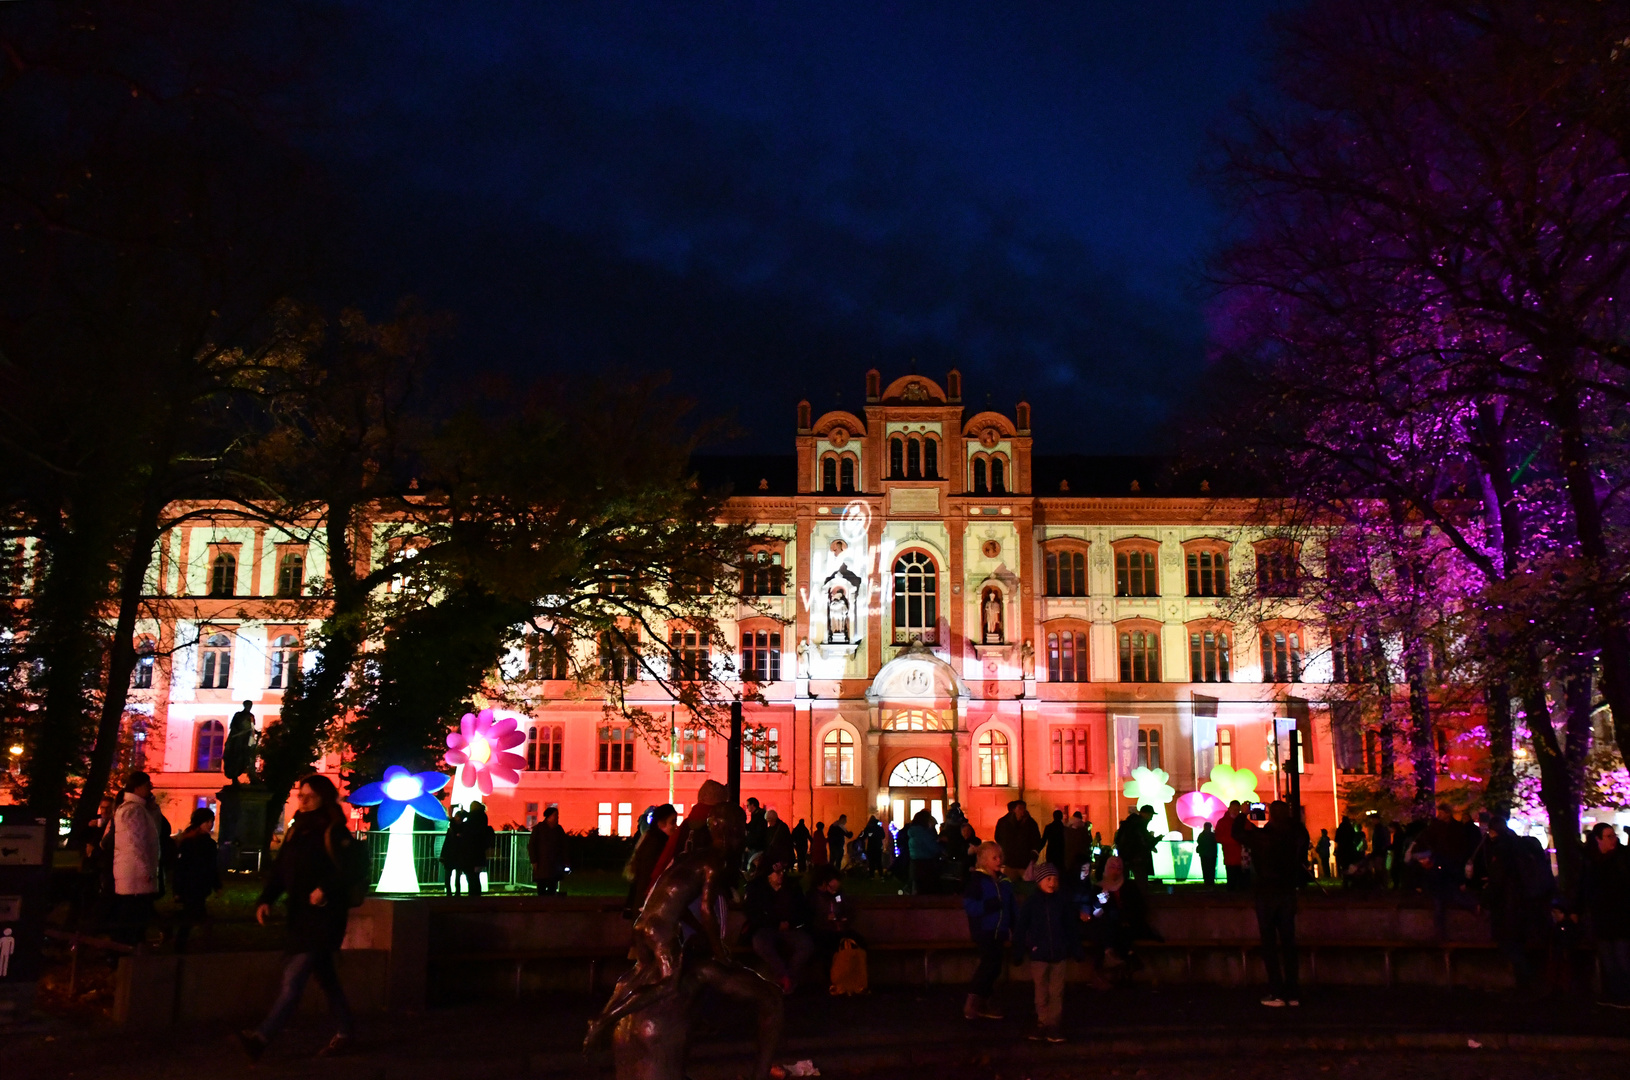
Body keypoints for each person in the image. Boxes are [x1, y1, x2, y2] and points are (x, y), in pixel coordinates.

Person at [240, 774, 358, 1060]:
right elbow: (282, 870)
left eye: (309, 796)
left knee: (293, 979)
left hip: (323, 918)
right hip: (301, 916)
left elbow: (348, 870)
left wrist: (325, 889)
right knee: (327, 979)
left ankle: (262, 1037)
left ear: (323, 798)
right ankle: (346, 1032)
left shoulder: (334, 830)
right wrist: (266, 899)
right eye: (300, 795)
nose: (301, 800)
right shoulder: (297, 830)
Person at [1232, 800, 1309, 1007]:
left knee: (1269, 943)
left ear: (1271, 815)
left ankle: (1276, 992)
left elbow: (1237, 833)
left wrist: (1243, 813)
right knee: (1288, 942)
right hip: (1286, 892)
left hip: (1266, 893)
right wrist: (1289, 817)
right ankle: (1292, 992)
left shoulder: (1261, 837)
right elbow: (1302, 832)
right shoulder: (1294, 836)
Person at [1012, 862, 1079, 1043]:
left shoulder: (1061, 902)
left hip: (1058, 953)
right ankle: (1043, 1022)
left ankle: (1053, 1024)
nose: (1052, 883)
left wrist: (1074, 948)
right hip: (1039, 953)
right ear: (1039, 881)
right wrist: (1018, 950)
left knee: (1056, 991)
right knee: (1041, 990)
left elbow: (1070, 927)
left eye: (1055, 879)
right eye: (1048, 879)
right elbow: (1021, 927)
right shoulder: (1032, 903)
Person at [107, 771, 163, 946]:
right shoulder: (133, 810)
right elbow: (136, 842)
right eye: (147, 785)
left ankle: (125, 951)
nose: (150, 788)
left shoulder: (134, 808)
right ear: (138, 787)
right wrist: (145, 869)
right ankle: (126, 952)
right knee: (133, 915)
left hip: (132, 873)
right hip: (135, 875)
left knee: (132, 914)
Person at [962, 840, 1015, 1020]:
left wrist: (1013, 926)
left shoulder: (1003, 882)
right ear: (984, 861)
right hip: (985, 930)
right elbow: (970, 906)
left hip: (999, 931)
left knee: (995, 967)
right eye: (994, 858)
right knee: (988, 966)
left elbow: (1010, 906)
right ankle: (973, 1003)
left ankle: (982, 1001)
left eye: (1000, 856)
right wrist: (987, 905)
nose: (999, 860)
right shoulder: (978, 881)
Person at [743, 862, 814, 993]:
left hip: (790, 928)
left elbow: (803, 910)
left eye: (783, 872)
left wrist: (791, 923)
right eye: (777, 873)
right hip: (766, 928)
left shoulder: (792, 888)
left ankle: (788, 977)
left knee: (806, 944)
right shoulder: (757, 889)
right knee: (760, 943)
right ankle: (783, 976)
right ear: (769, 875)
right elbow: (753, 914)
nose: (781, 875)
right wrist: (775, 923)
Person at [1583, 823, 1630, 1007]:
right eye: (1609, 836)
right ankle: (1615, 994)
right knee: (1609, 959)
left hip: (1621, 918)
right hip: (1603, 919)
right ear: (1598, 839)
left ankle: (1625, 995)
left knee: (1622, 958)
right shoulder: (1592, 862)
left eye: (1613, 835)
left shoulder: (1622, 858)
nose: (1614, 839)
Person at [173, 807, 221, 952]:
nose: (211, 824)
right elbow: (182, 867)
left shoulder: (191, 841)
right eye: (208, 821)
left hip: (195, 886)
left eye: (211, 821)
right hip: (194, 886)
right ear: (201, 823)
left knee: (193, 915)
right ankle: (186, 944)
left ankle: (185, 943)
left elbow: (211, 867)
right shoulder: (192, 842)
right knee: (193, 916)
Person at [626, 804, 678, 916]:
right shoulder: (658, 844)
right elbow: (647, 875)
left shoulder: (651, 839)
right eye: (672, 822)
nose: (675, 826)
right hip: (648, 905)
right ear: (661, 823)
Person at [994, 800, 1042, 880]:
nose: (1023, 810)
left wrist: (1034, 854)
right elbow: (998, 838)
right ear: (1013, 810)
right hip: (1010, 863)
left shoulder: (1030, 823)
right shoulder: (1003, 822)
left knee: (1027, 886)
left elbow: (1036, 840)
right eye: (1020, 808)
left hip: (1025, 863)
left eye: (1024, 808)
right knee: (1008, 885)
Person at [460, 802, 496, 897]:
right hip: (478, 852)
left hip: (471, 853)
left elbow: (468, 825)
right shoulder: (481, 817)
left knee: (471, 876)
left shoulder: (473, 820)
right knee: (475, 876)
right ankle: (476, 896)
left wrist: (463, 816)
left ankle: (473, 896)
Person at [529, 805, 567, 894]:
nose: (557, 817)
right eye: (555, 815)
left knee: (552, 887)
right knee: (541, 888)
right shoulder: (539, 828)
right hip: (542, 864)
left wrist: (564, 860)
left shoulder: (558, 829)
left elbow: (564, 845)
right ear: (549, 817)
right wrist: (534, 860)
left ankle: (550, 905)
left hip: (555, 865)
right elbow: (532, 845)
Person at [1115, 806, 1157, 883]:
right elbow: (1143, 843)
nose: (1151, 818)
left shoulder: (1128, 824)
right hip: (1137, 858)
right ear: (1144, 814)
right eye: (1150, 815)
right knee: (1141, 881)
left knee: (1124, 881)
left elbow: (1118, 840)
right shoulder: (1139, 825)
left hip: (1125, 856)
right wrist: (1156, 839)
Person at [906, 809, 942, 895]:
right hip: (926, 865)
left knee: (917, 889)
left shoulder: (913, 832)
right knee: (927, 891)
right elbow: (933, 847)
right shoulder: (923, 833)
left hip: (915, 863)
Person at [1219, 801, 1248, 891]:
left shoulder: (1223, 822)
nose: (1235, 811)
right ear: (1229, 809)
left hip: (1241, 859)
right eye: (1234, 809)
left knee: (1241, 885)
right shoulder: (1223, 822)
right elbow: (1219, 838)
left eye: (1237, 810)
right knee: (1234, 884)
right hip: (1233, 859)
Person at [441, 810, 468, 894]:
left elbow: (447, 842)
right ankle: (456, 892)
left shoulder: (451, 828)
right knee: (457, 875)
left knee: (449, 874)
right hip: (458, 854)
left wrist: (443, 855)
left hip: (451, 854)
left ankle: (449, 892)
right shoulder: (464, 828)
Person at [1063, 812, 1092, 883]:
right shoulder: (1083, 831)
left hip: (1070, 858)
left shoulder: (1067, 831)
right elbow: (1088, 842)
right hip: (1079, 858)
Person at [1196, 821, 1219, 886]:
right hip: (1212, 855)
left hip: (1204, 855)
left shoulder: (1201, 835)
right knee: (1211, 869)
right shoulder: (1213, 835)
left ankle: (1207, 882)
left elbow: (1199, 842)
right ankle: (1211, 882)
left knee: (1205, 869)